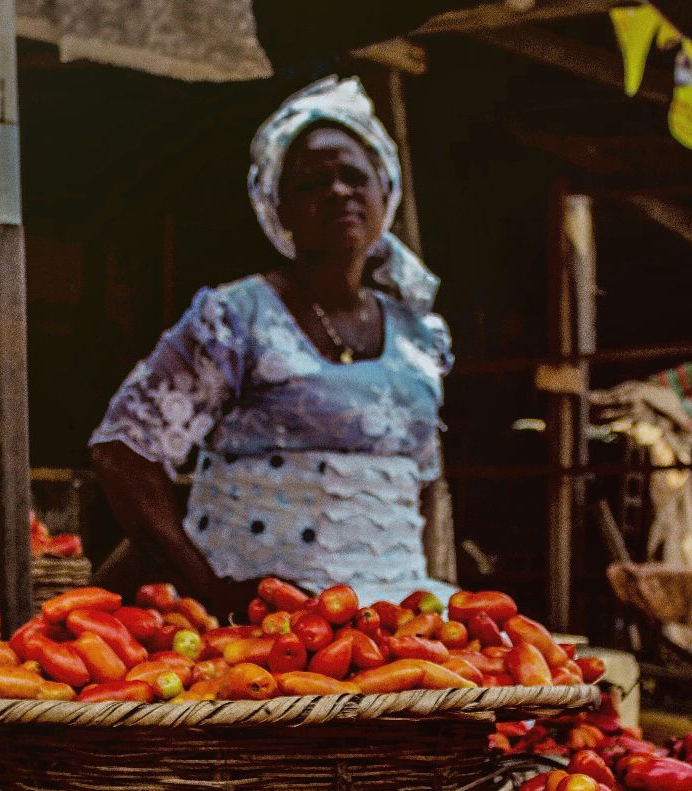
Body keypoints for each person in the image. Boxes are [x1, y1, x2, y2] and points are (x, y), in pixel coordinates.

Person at [91, 77, 455, 612]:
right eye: (311, 183)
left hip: (392, 617)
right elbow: (123, 453)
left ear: (386, 192)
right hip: (259, 622)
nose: (338, 192)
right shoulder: (234, 318)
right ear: (276, 206)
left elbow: (421, 485)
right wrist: (209, 588)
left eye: (355, 176)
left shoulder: (422, 336)